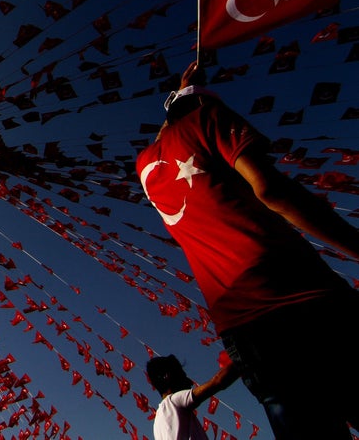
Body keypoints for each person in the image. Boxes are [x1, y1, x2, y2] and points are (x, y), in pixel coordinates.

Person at [137, 61, 359, 439]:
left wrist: (180, 93)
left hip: (243, 327)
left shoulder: (146, 166)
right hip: (297, 290)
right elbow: (271, 189)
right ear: (204, 107)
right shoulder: (208, 119)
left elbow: (169, 131)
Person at [146, 353, 239, 440]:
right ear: (167, 376)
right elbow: (218, 382)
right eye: (182, 376)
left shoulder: (158, 423)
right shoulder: (172, 401)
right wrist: (241, 358)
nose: (190, 382)